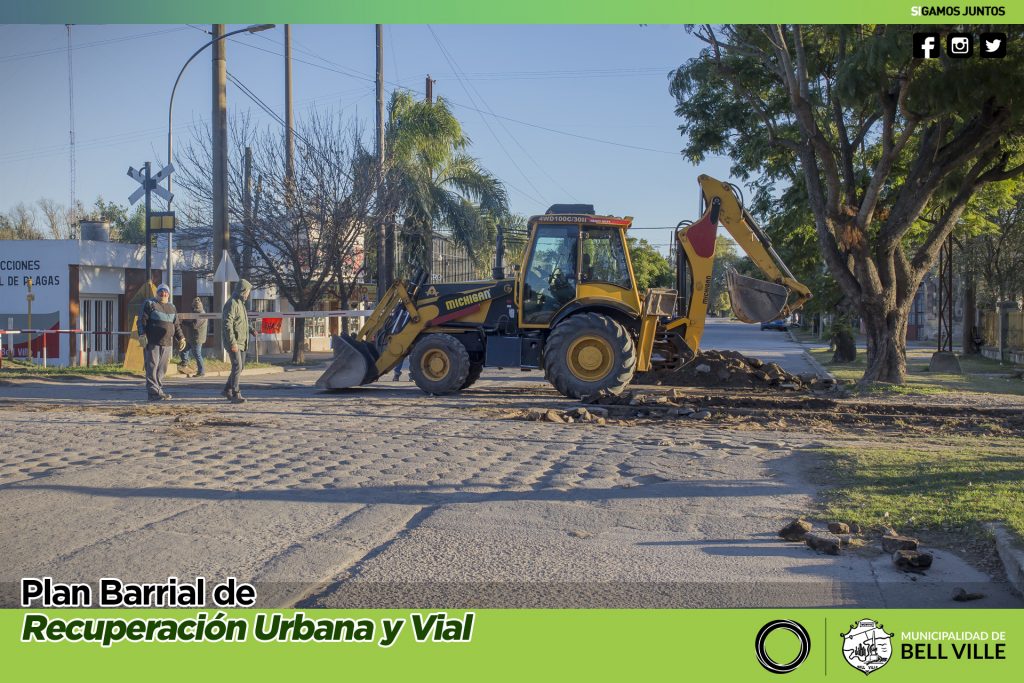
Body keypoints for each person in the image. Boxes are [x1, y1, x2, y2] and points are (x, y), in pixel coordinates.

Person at [138, 283, 185, 401]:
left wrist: (181, 338)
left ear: (168, 294)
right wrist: (142, 334)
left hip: (167, 343)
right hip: (152, 342)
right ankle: (153, 393)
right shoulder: (150, 304)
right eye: (161, 291)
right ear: (157, 293)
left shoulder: (172, 307)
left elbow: (177, 325)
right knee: (152, 367)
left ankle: (158, 390)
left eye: (165, 291)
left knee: (162, 369)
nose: (163, 293)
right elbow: (141, 320)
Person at [222, 279, 252, 404]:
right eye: (248, 291)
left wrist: (251, 330)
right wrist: (232, 342)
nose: (248, 294)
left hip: (242, 341)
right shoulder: (232, 303)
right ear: (243, 290)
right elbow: (227, 323)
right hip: (234, 342)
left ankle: (227, 389)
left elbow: (241, 322)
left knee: (240, 367)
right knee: (237, 365)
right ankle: (235, 393)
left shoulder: (241, 303)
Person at [180, 297, 208, 377]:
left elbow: (194, 325)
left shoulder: (201, 314)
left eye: (194, 306)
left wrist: (183, 322)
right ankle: (184, 363)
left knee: (197, 354)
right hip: (191, 337)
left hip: (197, 338)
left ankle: (201, 371)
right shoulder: (196, 313)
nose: (193, 307)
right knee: (184, 349)